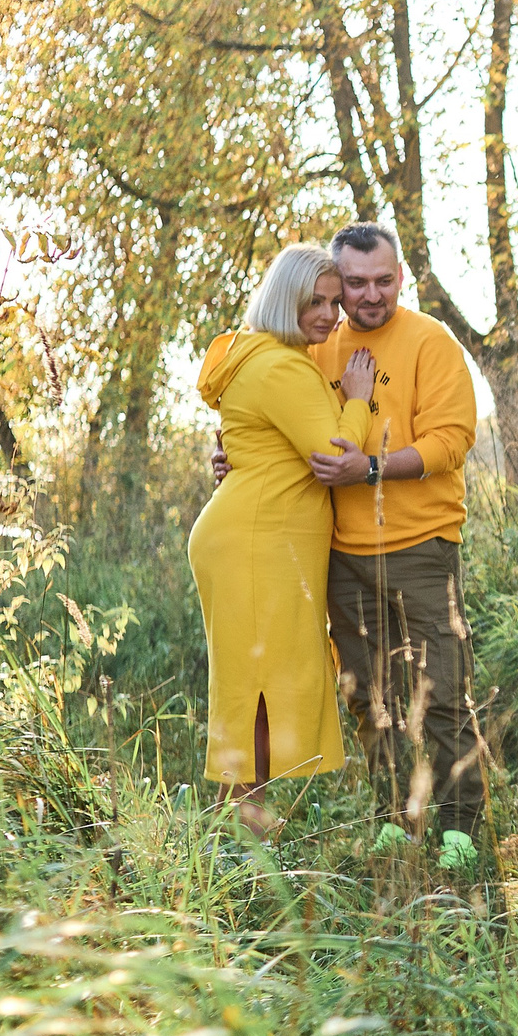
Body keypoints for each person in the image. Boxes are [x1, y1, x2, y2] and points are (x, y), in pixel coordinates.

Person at [212, 221, 482, 862]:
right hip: (339, 552)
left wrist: (373, 468)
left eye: (382, 281)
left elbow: (451, 441)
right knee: (370, 696)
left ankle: (459, 835)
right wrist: (234, 460)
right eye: (352, 285)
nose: (366, 298)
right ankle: (394, 820)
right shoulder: (319, 341)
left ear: (400, 277)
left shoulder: (430, 342)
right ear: (333, 285)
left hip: (422, 546)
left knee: (443, 693)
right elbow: (280, 424)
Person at [189, 244, 375, 836]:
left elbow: (255, 443)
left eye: (333, 304)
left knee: (254, 686)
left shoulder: (265, 355)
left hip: (254, 534)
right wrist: (358, 401)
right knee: (257, 692)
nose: (327, 315)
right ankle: (244, 841)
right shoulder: (282, 366)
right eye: (312, 302)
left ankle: (241, 839)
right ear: (283, 299)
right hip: (256, 542)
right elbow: (332, 455)